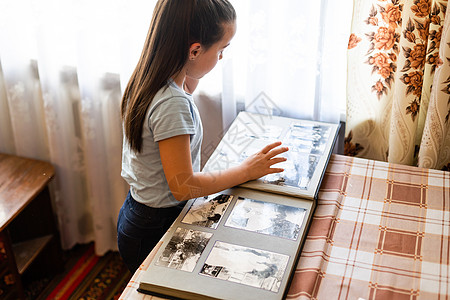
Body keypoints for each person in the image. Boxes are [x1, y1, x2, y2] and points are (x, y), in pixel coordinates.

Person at [117, 0, 289, 273]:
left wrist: (195, 66)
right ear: (194, 50)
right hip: (154, 225)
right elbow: (183, 187)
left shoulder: (151, 77)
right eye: (221, 50)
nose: (221, 58)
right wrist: (246, 170)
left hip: (139, 212)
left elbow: (186, 89)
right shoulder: (171, 103)